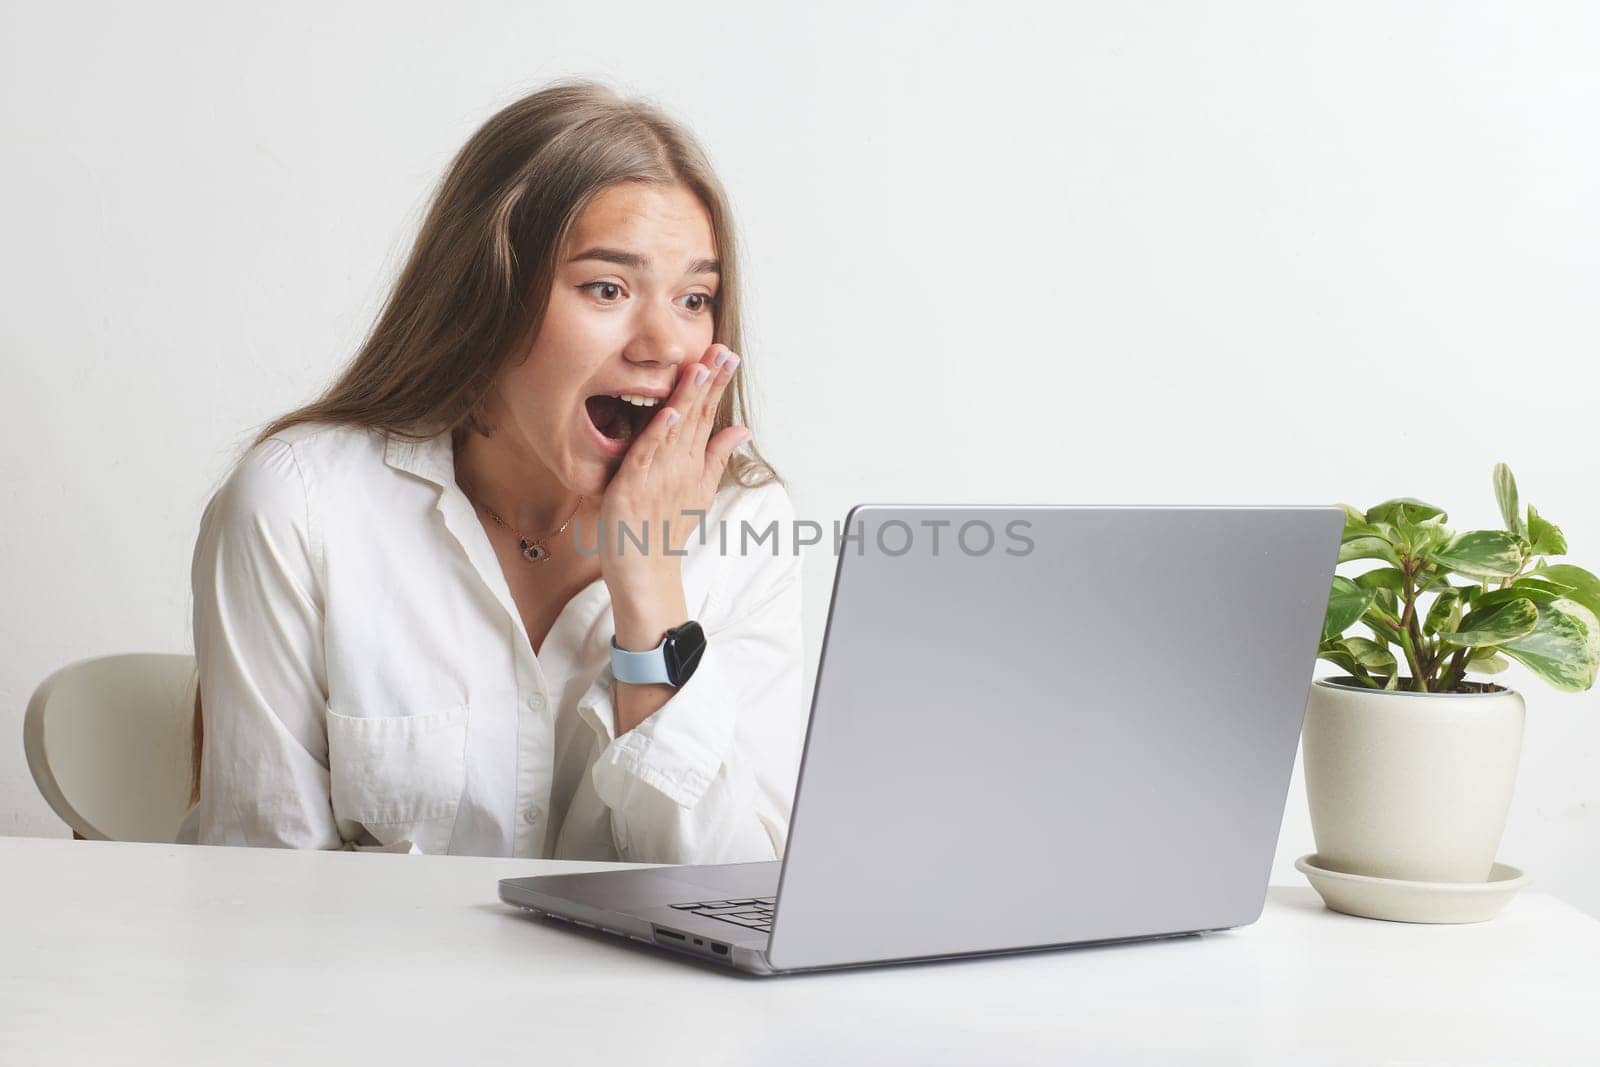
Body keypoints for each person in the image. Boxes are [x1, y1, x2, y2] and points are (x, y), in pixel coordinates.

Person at [176, 79, 805, 862]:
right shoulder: (300, 504)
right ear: (487, 299)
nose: (666, 344)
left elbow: (734, 893)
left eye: (694, 298)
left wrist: (650, 589)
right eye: (606, 287)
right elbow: (264, 892)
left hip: (639, 992)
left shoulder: (748, 522)